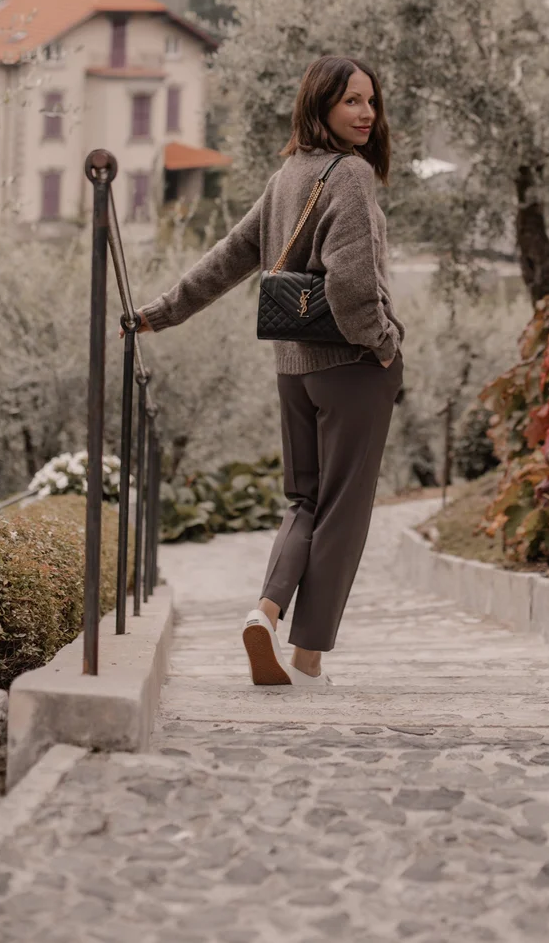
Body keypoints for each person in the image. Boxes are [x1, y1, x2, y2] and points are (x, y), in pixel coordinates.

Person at [135, 55, 404, 687]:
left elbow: (231, 256)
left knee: (304, 500)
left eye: (371, 101)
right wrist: (384, 343)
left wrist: (161, 312)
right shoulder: (350, 175)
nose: (366, 113)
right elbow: (352, 285)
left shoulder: (289, 176)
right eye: (351, 101)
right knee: (343, 513)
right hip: (352, 367)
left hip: (293, 366)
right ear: (320, 105)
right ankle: (307, 660)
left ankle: (266, 611)